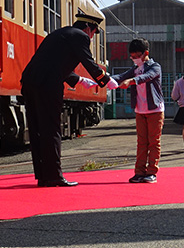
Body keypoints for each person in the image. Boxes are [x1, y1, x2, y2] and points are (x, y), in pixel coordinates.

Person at [21, 13, 119, 187]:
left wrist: (80, 80)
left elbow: (55, 63)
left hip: (30, 81)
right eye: (93, 33)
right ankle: (54, 176)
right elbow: (88, 61)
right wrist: (105, 80)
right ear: (89, 28)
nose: (91, 37)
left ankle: (43, 176)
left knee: (37, 129)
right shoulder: (80, 37)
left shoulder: (60, 34)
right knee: (51, 128)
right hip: (47, 85)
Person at [111, 38, 165, 184]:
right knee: (141, 142)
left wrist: (132, 81)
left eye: (136, 56)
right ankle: (139, 172)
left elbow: (146, 77)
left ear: (145, 53)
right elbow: (121, 77)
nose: (134, 59)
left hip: (155, 110)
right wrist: (104, 80)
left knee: (154, 142)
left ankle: (152, 172)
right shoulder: (134, 69)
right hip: (140, 110)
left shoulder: (155, 67)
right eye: (132, 56)